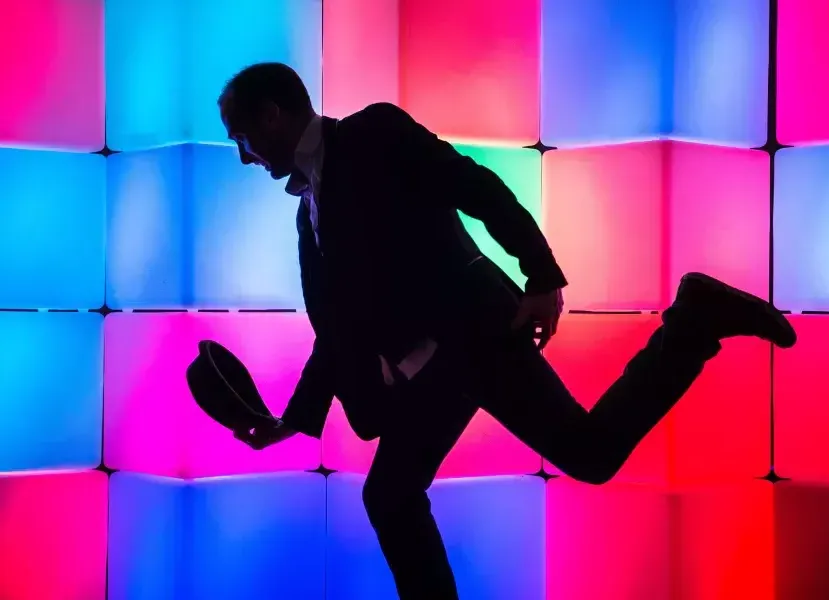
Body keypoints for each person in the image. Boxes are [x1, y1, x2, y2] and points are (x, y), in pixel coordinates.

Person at [223, 62, 796, 599]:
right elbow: (339, 327)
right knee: (390, 496)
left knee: (590, 455)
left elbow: (474, 186)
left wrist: (541, 274)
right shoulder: (308, 213)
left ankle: (694, 320)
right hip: (433, 373)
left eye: (240, 138)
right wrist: (293, 423)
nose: (244, 157)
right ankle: (696, 319)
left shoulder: (373, 133)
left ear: (271, 115)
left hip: (475, 336)